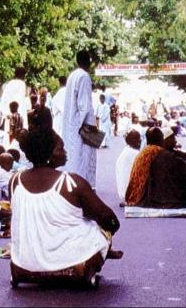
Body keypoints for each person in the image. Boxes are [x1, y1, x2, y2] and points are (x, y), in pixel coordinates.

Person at [9, 128, 121, 287]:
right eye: (60, 148)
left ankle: (30, 270)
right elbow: (109, 218)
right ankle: (83, 266)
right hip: (72, 259)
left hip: (25, 262)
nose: (65, 152)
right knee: (102, 228)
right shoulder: (72, 182)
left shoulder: (15, 181)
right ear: (49, 154)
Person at [125, 127, 186, 209]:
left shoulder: (143, 152)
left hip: (137, 194)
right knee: (183, 172)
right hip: (149, 196)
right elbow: (181, 166)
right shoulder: (160, 152)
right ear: (161, 139)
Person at [62, 50, 98, 189]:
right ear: (88, 61)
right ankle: (83, 188)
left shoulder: (73, 75)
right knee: (84, 158)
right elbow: (84, 105)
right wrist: (87, 126)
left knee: (74, 155)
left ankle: (74, 185)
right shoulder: (84, 76)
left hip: (73, 123)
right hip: (83, 124)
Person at [114, 130, 141, 203]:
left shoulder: (126, 151)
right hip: (131, 194)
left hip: (123, 194)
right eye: (139, 139)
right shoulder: (135, 153)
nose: (140, 141)